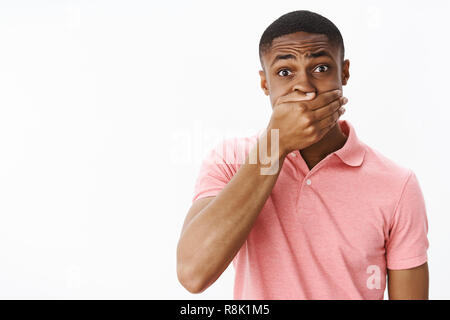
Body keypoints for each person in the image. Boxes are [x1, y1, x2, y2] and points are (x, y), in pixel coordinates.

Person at [176, 10, 429, 300]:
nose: (305, 88)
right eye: (284, 72)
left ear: (344, 72)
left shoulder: (398, 185)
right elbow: (192, 274)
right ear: (264, 84)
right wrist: (276, 144)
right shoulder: (230, 160)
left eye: (321, 68)